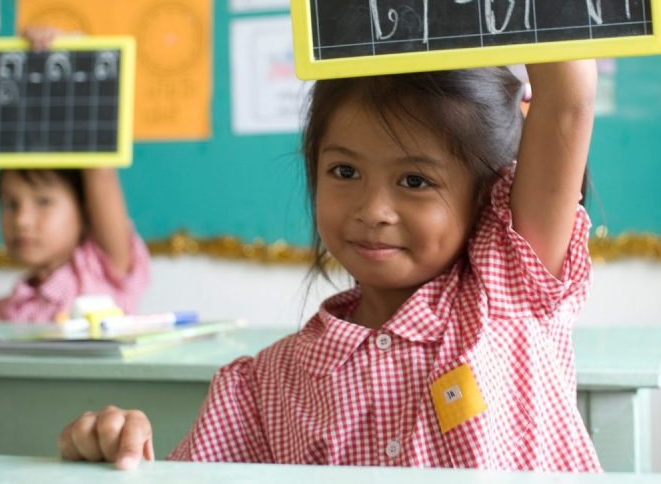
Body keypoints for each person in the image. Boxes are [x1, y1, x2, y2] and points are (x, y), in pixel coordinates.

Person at [57, 58, 599, 472]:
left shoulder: (508, 288)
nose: (373, 210)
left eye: (415, 181)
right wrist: (118, 452)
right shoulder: (265, 387)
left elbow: (568, 99)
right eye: (344, 171)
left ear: (489, 196)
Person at [0, 26, 150, 322]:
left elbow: (100, 169)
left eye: (43, 202)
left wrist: (75, 59)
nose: (22, 220)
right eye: (10, 204)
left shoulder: (104, 272)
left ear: (85, 211)